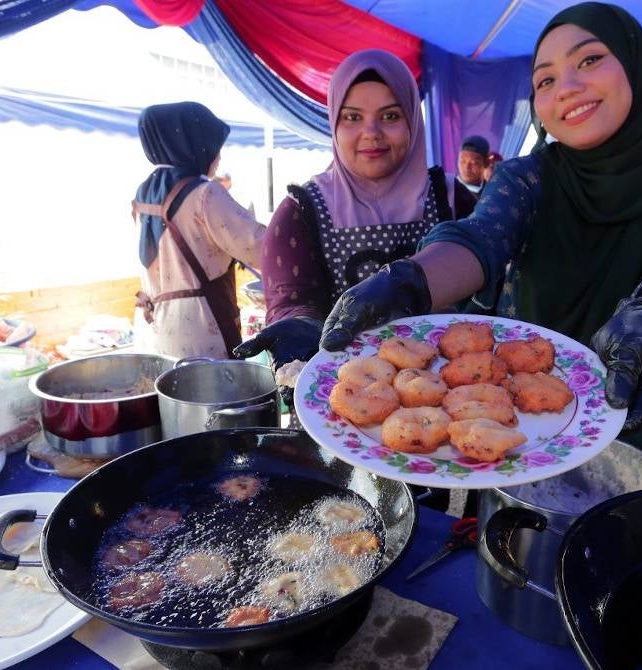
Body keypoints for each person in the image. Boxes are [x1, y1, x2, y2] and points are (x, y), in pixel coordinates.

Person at [318, 2, 642, 479]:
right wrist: (408, 280)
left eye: (589, 60)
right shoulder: (526, 177)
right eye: (544, 80)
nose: (565, 87)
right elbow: (481, 239)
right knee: (515, 547)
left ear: (639, 66)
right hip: (519, 434)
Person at [233, 48, 454, 510]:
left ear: (413, 121)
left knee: (426, 526)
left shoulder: (452, 198)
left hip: (436, 420)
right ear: (333, 123)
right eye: (352, 117)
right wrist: (301, 324)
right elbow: (291, 297)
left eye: (390, 115)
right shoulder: (301, 211)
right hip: (342, 419)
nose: (370, 133)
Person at [132, 101, 266, 360]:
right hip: (204, 329)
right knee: (216, 397)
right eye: (215, 147)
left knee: (176, 397)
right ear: (194, 145)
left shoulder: (144, 192)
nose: (218, 157)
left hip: (159, 325)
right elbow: (260, 247)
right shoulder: (204, 193)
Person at [453, 135, 490, 218]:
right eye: (462, 161)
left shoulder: (490, 195)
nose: (467, 168)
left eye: (474, 163)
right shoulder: (448, 188)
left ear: (486, 163)